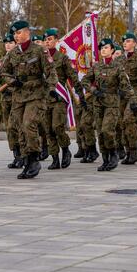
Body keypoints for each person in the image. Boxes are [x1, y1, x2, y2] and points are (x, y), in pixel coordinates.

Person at [1, 20, 58, 179]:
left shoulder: (40, 51)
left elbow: (51, 72)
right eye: (14, 34)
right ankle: (26, 161)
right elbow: (4, 72)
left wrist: (51, 88)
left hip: (36, 94)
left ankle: (34, 159)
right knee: (20, 128)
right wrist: (12, 82)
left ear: (27, 33)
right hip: (19, 95)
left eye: (18, 32)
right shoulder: (13, 54)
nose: (16, 36)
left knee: (28, 124)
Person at [82, 38, 137, 171]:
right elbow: (85, 81)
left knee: (107, 130)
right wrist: (94, 90)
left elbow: (125, 85)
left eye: (106, 48)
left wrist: (133, 100)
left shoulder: (118, 67)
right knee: (100, 132)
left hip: (112, 103)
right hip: (98, 103)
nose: (103, 50)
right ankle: (105, 158)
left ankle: (113, 154)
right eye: (102, 48)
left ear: (112, 50)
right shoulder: (96, 66)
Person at [43, 28, 85, 170]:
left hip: (59, 97)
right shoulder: (41, 58)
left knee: (57, 127)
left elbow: (72, 77)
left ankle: (66, 150)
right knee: (48, 130)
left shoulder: (62, 58)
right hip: (45, 99)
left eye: (50, 39)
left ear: (56, 40)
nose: (47, 42)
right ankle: (55, 158)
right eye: (46, 39)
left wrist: (80, 94)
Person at [117, 32, 137, 165]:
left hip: (135, 94)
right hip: (121, 94)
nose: (125, 43)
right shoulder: (118, 60)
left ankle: (134, 150)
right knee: (122, 123)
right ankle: (128, 150)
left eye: (128, 41)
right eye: (124, 41)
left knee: (129, 120)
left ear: (135, 43)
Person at [0, 33, 23, 169]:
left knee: (16, 127)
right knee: (9, 128)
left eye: (11, 43)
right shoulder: (2, 60)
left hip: (16, 96)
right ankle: (16, 155)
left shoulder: (19, 58)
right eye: (6, 43)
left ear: (16, 44)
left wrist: (8, 84)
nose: (7, 45)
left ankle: (23, 155)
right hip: (5, 98)